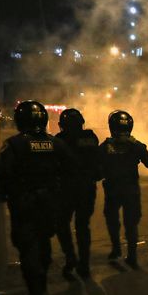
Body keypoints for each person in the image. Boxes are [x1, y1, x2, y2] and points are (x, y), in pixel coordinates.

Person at [0, 101, 73, 295]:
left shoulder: (14, 145)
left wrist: (1, 196)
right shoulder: (56, 143)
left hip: (24, 204)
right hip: (50, 204)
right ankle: (42, 285)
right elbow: (71, 171)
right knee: (44, 243)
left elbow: (1, 175)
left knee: (28, 248)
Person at [99, 110, 148, 269]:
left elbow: (97, 169)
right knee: (131, 223)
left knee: (112, 220)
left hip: (112, 190)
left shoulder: (105, 146)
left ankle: (116, 249)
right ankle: (132, 256)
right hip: (131, 190)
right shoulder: (137, 146)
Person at [55, 108, 101, 279]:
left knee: (62, 224)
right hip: (87, 189)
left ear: (62, 125)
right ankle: (84, 265)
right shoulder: (91, 137)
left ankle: (70, 258)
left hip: (66, 189)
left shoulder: (58, 140)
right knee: (83, 226)